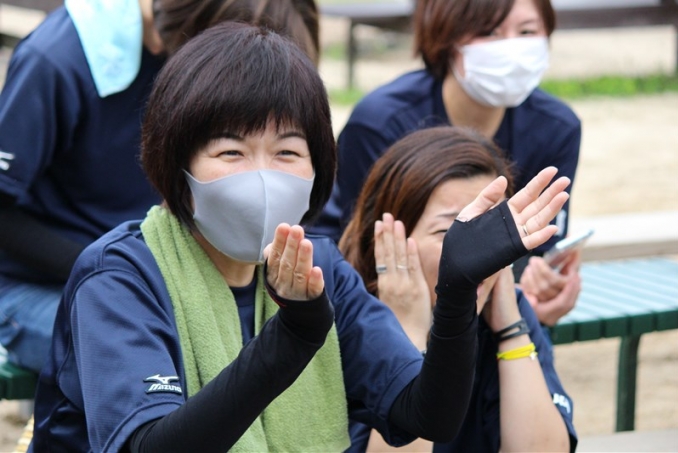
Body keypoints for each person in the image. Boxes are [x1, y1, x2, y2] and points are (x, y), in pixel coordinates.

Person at [29, 22, 571, 452]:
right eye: (231, 152)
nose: (263, 175)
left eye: (287, 152)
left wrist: (454, 292)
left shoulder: (323, 270)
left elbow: (424, 415)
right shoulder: (122, 276)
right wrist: (292, 338)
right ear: (177, 163)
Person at [0, 0, 320, 373]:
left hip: (174, 279)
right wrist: (119, 271)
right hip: (38, 286)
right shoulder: (56, 61)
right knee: (181, 358)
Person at [308, 0, 582, 328]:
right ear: (446, 37)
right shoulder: (381, 124)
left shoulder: (557, 128)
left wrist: (542, 285)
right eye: (489, 32)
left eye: (526, 31)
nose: (510, 47)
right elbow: (368, 253)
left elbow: (539, 250)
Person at [340, 126, 576, 452]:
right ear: (386, 238)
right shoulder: (350, 317)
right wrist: (407, 332)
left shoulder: (504, 309)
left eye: (489, 230)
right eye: (447, 233)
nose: (472, 254)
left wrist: (511, 329)